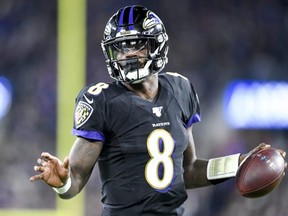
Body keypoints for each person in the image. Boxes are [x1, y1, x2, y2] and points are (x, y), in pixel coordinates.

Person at [30, 5, 286, 216]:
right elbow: (74, 179)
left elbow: (188, 170)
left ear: (156, 46)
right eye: (120, 47)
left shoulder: (181, 89)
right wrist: (63, 182)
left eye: (136, 45)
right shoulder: (102, 99)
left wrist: (238, 163)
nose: (126, 54)